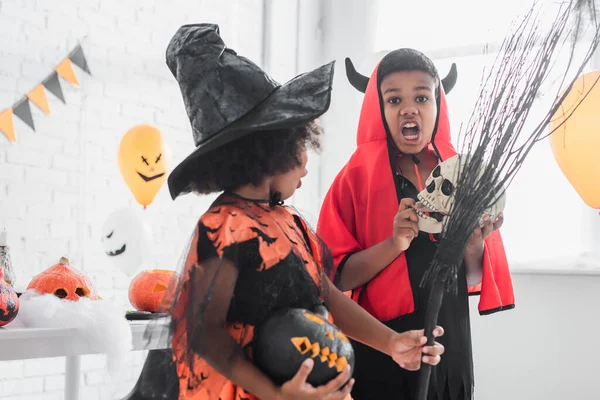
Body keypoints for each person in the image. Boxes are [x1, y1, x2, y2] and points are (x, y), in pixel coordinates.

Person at [162, 24, 446, 400]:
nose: (306, 167)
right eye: (300, 148)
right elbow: (205, 333)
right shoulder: (225, 227)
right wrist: (279, 396)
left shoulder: (290, 222)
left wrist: (392, 342)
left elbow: (327, 295)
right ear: (269, 149)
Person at [317, 49, 516, 400]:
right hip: (382, 340)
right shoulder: (353, 179)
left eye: (422, 97)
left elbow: (471, 279)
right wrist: (394, 243)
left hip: (448, 335)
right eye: (394, 99)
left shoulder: (462, 175)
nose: (409, 108)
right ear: (377, 110)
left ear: (438, 105)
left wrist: (473, 244)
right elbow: (336, 279)